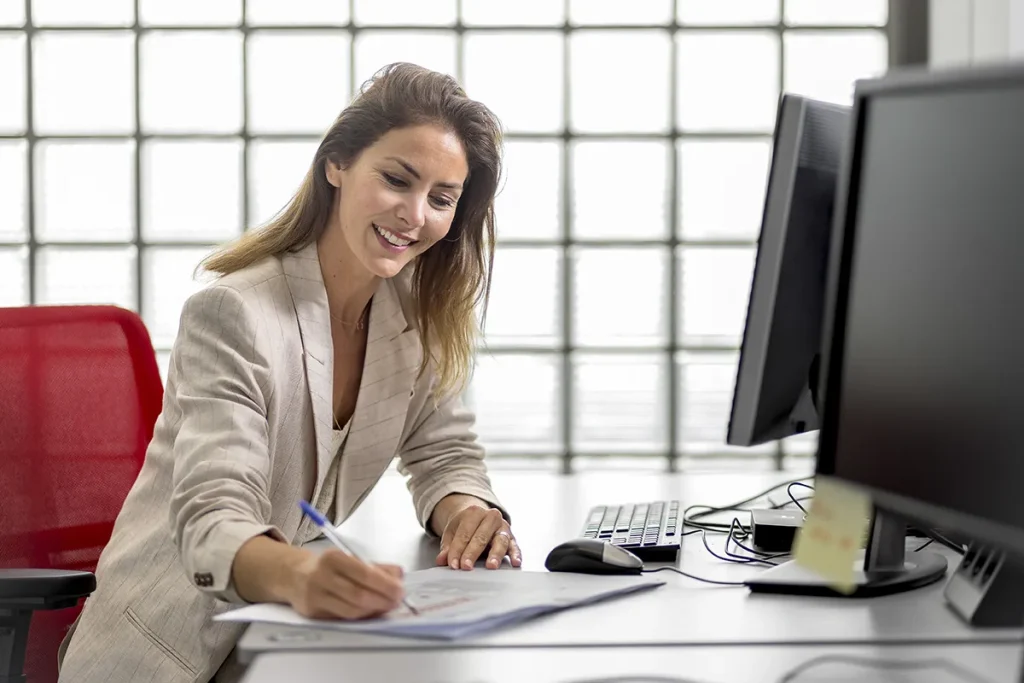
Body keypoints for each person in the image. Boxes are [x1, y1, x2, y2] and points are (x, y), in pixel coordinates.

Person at [57, 62, 520, 683]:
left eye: (441, 199)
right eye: (396, 180)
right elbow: (213, 515)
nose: (414, 215)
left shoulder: (414, 319)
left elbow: (444, 452)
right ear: (337, 165)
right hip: (161, 654)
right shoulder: (235, 312)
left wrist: (465, 512)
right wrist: (302, 575)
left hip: (277, 645)